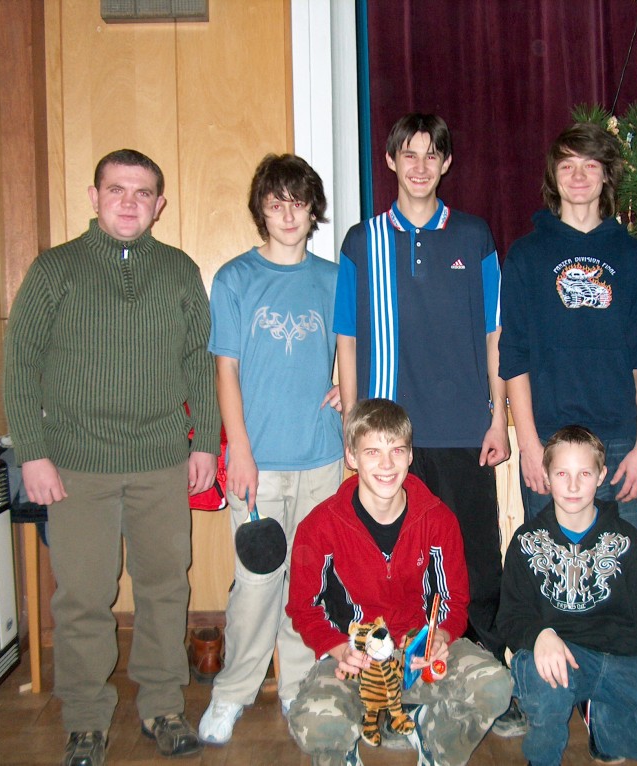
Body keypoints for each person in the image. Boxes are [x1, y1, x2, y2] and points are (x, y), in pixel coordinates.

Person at [4, 149, 220, 766]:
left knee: (164, 588)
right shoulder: (55, 270)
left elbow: (199, 363)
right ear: (94, 197)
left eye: (143, 192)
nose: (130, 201)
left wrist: (204, 441)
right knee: (82, 596)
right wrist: (33, 454)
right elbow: (20, 364)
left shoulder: (179, 271)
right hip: (75, 465)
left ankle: (162, 706)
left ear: (160, 204)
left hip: (161, 461)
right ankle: (85, 719)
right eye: (117, 189)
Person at [333, 114, 512, 678]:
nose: (419, 166)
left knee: (475, 562)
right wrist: (352, 431)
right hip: (388, 439)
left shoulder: (474, 237)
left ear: (446, 163)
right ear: (390, 161)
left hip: (463, 431)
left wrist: (498, 419)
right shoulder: (361, 241)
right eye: (408, 154)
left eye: (431, 154)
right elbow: (346, 338)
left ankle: (485, 673)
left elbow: (496, 333)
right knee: (396, 565)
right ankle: (401, 674)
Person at [198, 154, 343, 744]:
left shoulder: (335, 278)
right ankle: (232, 692)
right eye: (276, 203)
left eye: (298, 203)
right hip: (257, 461)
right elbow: (225, 371)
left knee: (308, 581)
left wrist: (350, 384)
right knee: (257, 584)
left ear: (313, 211)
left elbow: (357, 347)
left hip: (322, 457)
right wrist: (239, 450)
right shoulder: (235, 279)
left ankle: (298, 687)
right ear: (261, 209)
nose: (288, 214)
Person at [285, 398, 512, 766]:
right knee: (317, 726)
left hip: (417, 655)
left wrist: (441, 636)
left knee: (495, 686)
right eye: (372, 452)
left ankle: (433, 737)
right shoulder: (319, 526)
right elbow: (303, 607)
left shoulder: (438, 520)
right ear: (351, 457)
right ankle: (347, 738)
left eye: (397, 450)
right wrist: (337, 648)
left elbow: (454, 600)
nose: (387, 464)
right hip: (355, 659)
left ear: (410, 455)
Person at [497, 426, 637, 766]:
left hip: (623, 662)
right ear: (546, 476)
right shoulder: (526, 542)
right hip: (564, 659)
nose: (572, 485)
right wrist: (539, 634)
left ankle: (604, 726)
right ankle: (542, 760)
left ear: (601, 476)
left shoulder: (626, 543)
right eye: (562, 474)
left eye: (584, 474)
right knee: (537, 669)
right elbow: (510, 617)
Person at [500, 122, 637, 533]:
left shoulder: (632, 256)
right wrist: (529, 445)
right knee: (549, 564)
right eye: (567, 165)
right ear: (553, 176)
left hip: (620, 443)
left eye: (590, 165)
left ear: (606, 174)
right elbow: (514, 356)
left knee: (619, 564)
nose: (578, 176)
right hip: (549, 441)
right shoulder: (526, 255)